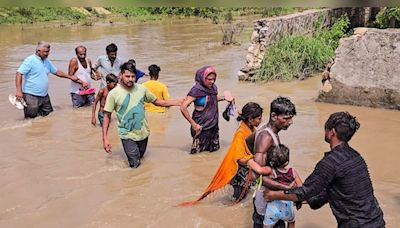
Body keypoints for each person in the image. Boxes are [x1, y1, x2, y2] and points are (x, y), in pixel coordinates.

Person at [264, 112, 386, 228]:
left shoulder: (330, 162)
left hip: (356, 224)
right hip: (376, 221)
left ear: (332, 132)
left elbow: (305, 191)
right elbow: (328, 194)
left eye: (326, 128)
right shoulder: (356, 157)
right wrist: (308, 199)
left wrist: (274, 195)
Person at [179, 102, 273, 206]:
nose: (261, 121)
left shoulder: (250, 129)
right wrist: (257, 156)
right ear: (250, 119)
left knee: (242, 198)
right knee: (236, 203)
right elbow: (241, 160)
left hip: (246, 173)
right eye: (259, 118)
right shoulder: (240, 134)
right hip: (238, 175)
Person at [102, 62, 182, 168]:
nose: (130, 79)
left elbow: (157, 101)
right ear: (120, 76)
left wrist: (177, 102)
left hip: (143, 132)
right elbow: (107, 116)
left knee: (141, 159)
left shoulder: (142, 89)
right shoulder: (113, 94)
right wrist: (105, 138)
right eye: (127, 76)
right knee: (135, 164)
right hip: (127, 134)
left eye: (133, 76)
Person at [246, 96, 297, 228]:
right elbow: (258, 177)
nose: (291, 122)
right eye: (286, 118)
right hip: (267, 199)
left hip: (271, 196)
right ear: (274, 116)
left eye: (291, 118)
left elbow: (248, 140)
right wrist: (286, 189)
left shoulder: (263, 129)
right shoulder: (266, 137)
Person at [15, 41, 88, 118]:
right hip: (31, 95)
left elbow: (56, 72)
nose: (47, 54)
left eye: (48, 52)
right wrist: (19, 91)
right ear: (38, 51)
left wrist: (70, 77)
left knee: (49, 116)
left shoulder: (47, 61)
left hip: (44, 95)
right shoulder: (30, 60)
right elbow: (19, 73)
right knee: (31, 119)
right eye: (45, 52)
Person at [180, 66, 232, 154]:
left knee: (213, 152)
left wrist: (225, 98)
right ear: (202, 78)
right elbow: (183, 107)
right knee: (198, 154)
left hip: (213, 126)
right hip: (200, 127)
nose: (212, 81)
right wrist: (194, 124)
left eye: (214, 79)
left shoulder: (213, 88)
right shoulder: (196, 91)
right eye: (209, 79)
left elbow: (212, 98)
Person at [262, 144, 302, 228]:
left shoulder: (272, 172)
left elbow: (260, 175)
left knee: (267, 226)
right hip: (287, 207)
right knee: (291, 221)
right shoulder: (292, 172)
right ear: (287, 161)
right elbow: (300, 187)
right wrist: (299, 201)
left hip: (272, 208)